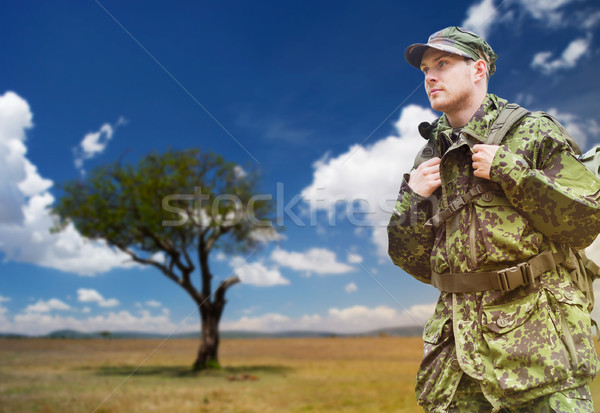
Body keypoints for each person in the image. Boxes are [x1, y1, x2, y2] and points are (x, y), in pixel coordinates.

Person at [387, 26, 600, 412]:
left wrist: (511, 171)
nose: (430, 76)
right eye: (425, 70)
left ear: (478, 70)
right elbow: (413, 261)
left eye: (443, 64)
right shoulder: (430, 155)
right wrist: (412, 201)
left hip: (538, 344)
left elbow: (584, 225)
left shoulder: (533, 132)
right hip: (458, 349)